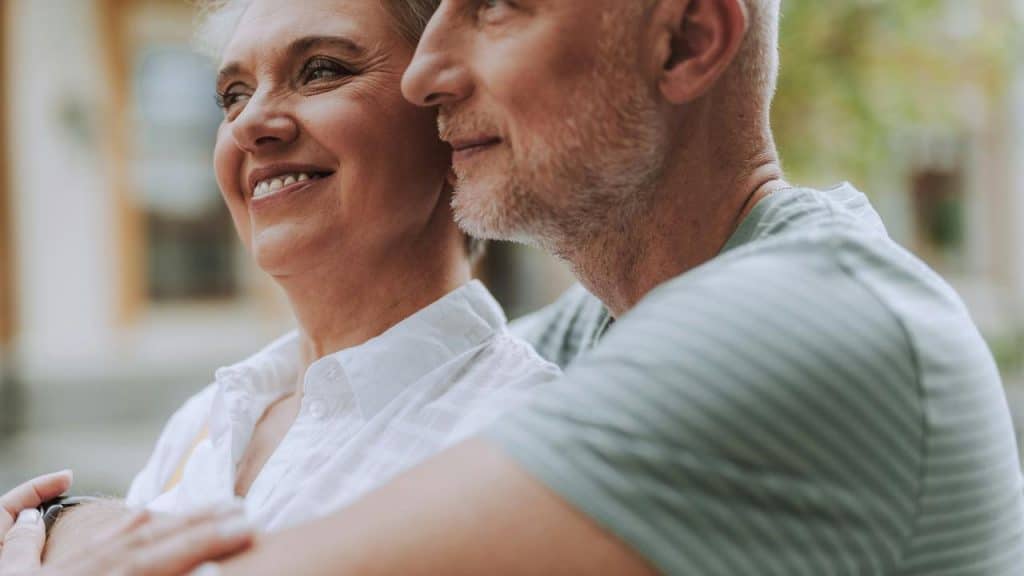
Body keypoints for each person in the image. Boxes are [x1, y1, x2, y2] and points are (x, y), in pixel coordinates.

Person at [3, 0, 1023, 573]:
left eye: (492, 7)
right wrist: (74, 523)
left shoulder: (808, 318)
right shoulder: (598, 332)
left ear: (687, 40)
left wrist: (46, 542)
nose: (427, 70)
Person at [0, 0, 560, 566]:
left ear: (452, 116)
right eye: (233, 96)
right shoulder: (211, 417)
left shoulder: (524, 436)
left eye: (321, 70)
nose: (248, 124)